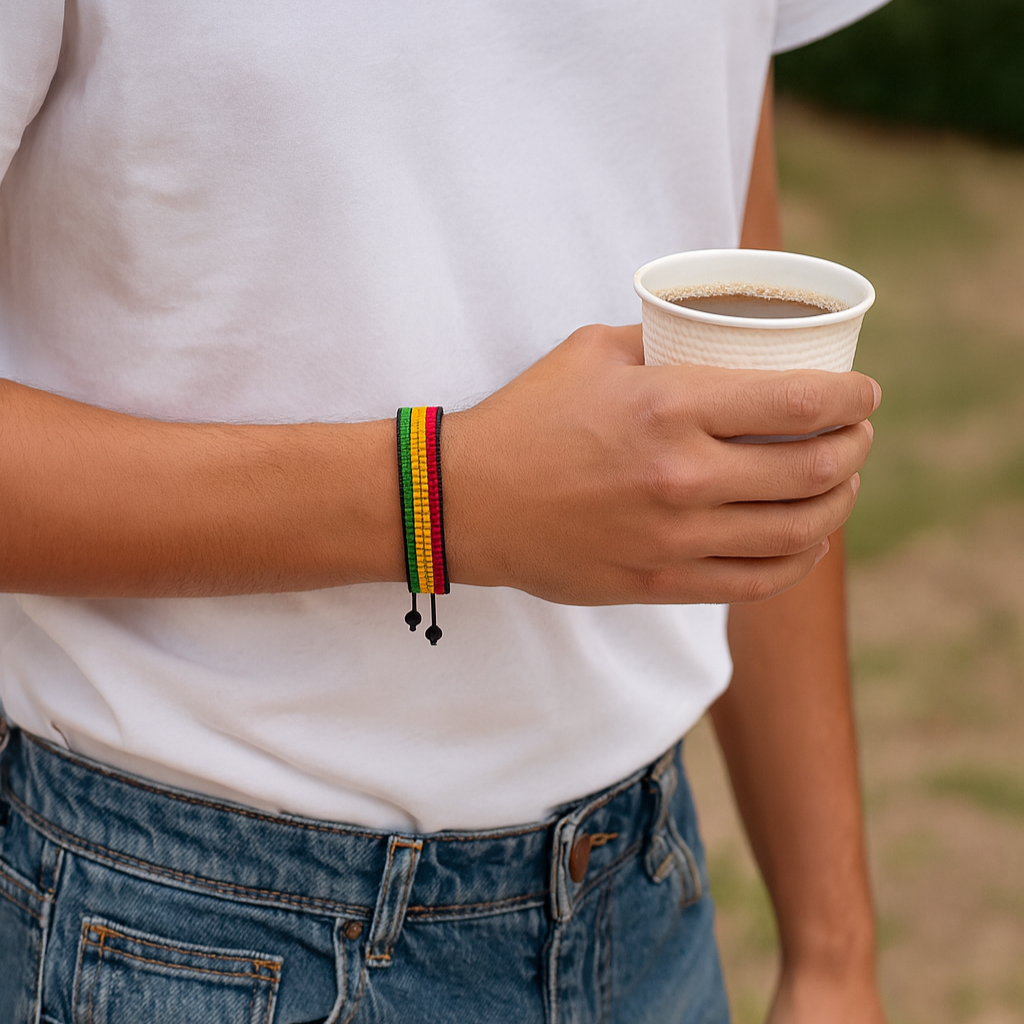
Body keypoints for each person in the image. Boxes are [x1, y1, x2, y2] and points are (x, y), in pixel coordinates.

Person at [0, 1, 888, 1021]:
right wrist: (441, 495)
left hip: (641, 899)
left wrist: (832, 955)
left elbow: (723, 220)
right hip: (190, 933)